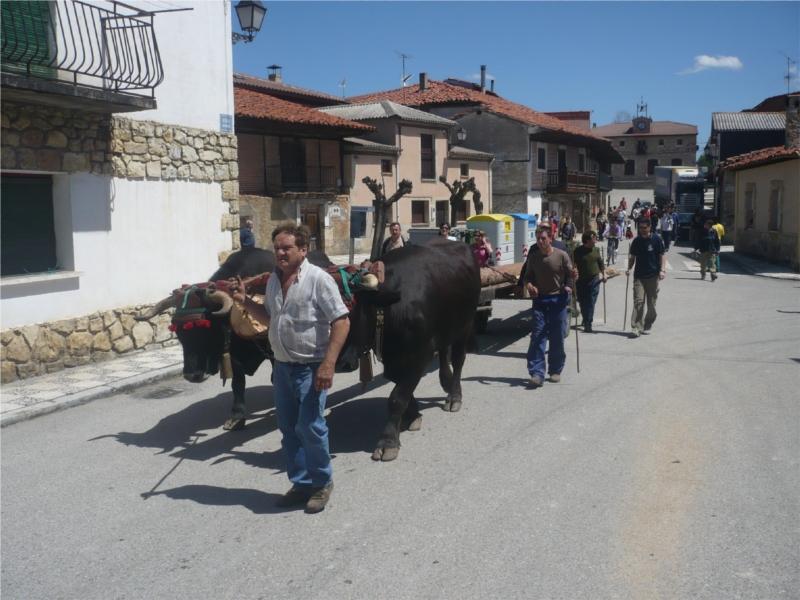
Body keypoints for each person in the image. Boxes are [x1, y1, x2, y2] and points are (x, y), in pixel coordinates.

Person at [232, 223, 350, 513]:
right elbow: (271, 317)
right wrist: (245, 301)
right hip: (283, 368)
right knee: (288, 428)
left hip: (311, 368)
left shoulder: (319, 280)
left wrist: (328, 364)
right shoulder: (275, 280)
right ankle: (301, 483)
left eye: (286, 248)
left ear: (303, 249)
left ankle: (322, 483)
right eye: (277, 248)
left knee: (310, 426)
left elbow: (341, 321)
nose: (280, 253)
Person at [523, 226, 574, 388]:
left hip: (558, 300)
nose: (540, 241)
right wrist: (530, 286)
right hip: (540, 300)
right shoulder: (534, 257)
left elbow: (570, 276)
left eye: (543, 238)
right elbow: (527, 278)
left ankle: (555, 370)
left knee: (557, 335)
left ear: (550, 238)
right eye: (537, 238)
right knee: (538, 335)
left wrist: (569, 285)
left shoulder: (561, 255)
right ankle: (537, 373)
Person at [626, 219, 666, 338]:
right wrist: (629, 268)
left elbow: (662, 255)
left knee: (651, 304)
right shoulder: (636, 241)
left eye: (644, 228)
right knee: (638, 302)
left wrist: (662, 270)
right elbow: (632, 257)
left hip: (653, 276)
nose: (642, 230)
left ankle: (648, 321)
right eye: (640, 228)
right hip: (639, 276)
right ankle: (636, 327)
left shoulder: (656, 239)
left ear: (649, 228)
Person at [572, 231, 606, 333]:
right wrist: (574, 271)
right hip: (581, 280)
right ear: (587, 240)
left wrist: (604, 274)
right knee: (582, 301)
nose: (595, 240)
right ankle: (585, 316)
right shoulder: (577, 251)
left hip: (594, 280)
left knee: (591, 301)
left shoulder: (596, 250)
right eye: (593, 238)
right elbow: (573, 264)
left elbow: (600, 263)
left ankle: (588, 323)